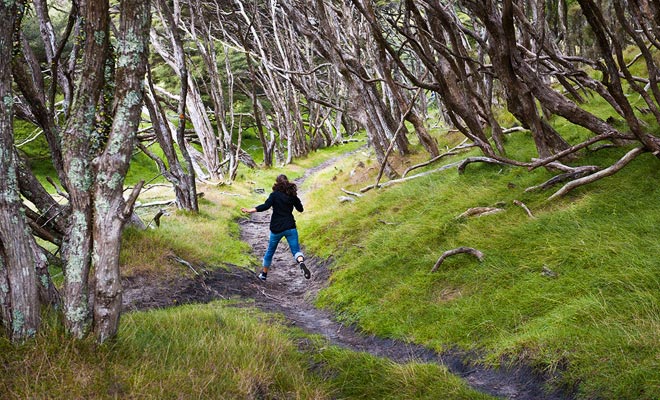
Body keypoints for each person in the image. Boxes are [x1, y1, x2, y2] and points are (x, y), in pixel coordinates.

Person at [241, 174, 310, 281]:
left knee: (270, 251)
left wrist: (251, 210)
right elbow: (300, 209)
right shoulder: (292, 195)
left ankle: (263, 274)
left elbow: (265, 206)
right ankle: (301, 262)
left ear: (277, 183)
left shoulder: (274, 195)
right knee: (296, 250)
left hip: (276, 228)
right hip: (290, 226)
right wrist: (295, 200)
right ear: (287, 182)